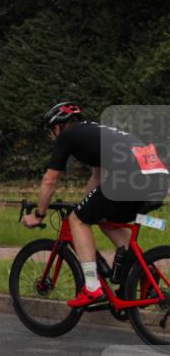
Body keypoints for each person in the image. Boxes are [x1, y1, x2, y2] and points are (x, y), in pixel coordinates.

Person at [23, 102, 169, 307]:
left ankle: (92, 287)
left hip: (131, 176)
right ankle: (143, 271)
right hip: (157, 177)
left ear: (57, 127)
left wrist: (39, 214)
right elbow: (97, 178)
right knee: (102, 218)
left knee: (77, 220)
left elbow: (50, 180)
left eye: (51, 132)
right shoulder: (96, 132)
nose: (52, 137)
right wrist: (84, 206)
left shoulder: (67, 136)